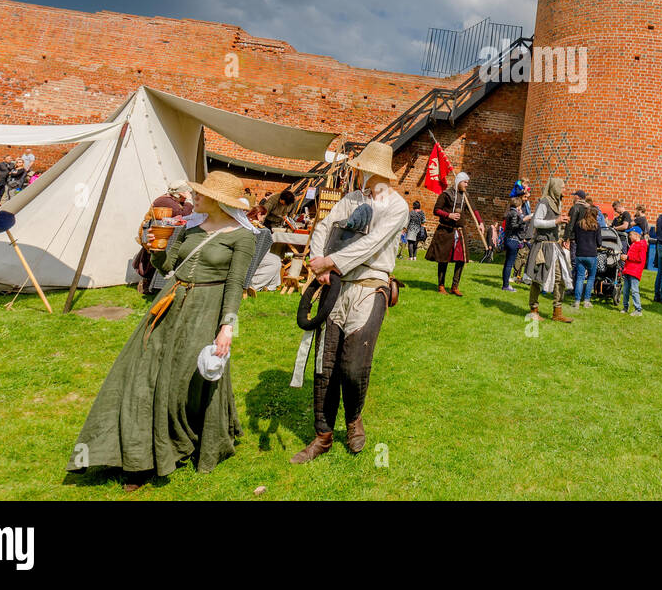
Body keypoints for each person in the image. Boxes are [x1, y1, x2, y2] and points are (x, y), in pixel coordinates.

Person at [67, 171, 257, 487]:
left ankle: (177, 441)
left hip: (205, 311)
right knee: (141, 373)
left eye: (201, 194)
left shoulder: (242, 237)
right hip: (169, 303)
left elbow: (236, 284)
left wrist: (227, 327)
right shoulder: (190, 227)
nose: (194, 197)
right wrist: (155, 247)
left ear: (219, 201)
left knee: (181, 381)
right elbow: (167, 267)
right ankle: (137, 456)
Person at [290, 142, 408, 463]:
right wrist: (317, 259)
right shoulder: (351, 199)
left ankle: (353, 418)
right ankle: (323, 435)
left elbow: (372, 244)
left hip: (370, 287)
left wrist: (330, 261)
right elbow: (325, 225)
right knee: (325, 365)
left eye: (361, 168)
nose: (357, 172)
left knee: (353, 366)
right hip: (336, 286)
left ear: (373, 171)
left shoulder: (398, 207)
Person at [427, 171, 481, 295]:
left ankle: (454, 286)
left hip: (460, 232)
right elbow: (436, 210)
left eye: (468, 182)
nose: (467, 185)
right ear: (458, 182)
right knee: (443, 259)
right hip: (446, 231)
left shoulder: (465, 196)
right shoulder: (446, 194)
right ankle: (441, 285)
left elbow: (474, 210)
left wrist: (480, 222)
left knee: (461, 260)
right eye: (465, 182)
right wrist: (448, 215)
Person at [526, 177, 572, 323]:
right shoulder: (544, 202)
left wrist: (561, 222)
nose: (564, 190)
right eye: (562, 187)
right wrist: (556, 221)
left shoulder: (558, 202)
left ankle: (557, 312)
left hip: (555, 245)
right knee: (538, 279)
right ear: (555, 188)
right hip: (543, 246)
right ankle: (533, 310)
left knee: (560, 278)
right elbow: (537, 222)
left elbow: (554, 224)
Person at [572, 197, 601, 308]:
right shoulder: (596, 226)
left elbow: (576, 238)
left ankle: (577, 301)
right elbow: (599, 242)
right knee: (591, 277)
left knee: (580, 277)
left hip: (580, 253)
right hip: (591, 254)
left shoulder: (579, 224)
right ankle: (587, 301)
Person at [500, 193, 526, 291]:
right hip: (513, 240)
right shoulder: (515, 213)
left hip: (508, 239)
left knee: (507, 263)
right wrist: (523, 220)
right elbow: (514, 225)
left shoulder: (510, 212)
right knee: (509, 264)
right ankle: (506, 285)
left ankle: (505, 284)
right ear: (518, 205)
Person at [620, 228, 646, 315]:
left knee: (634, 290)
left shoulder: (641, 245)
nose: (629, 236)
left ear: (637, 235)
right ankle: (625, 307)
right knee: (626, 290)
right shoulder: (633, 244)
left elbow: (640, 259)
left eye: (631, 234)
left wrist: (628, 257)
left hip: (635, 271)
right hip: (628, 270)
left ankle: (638, 309)